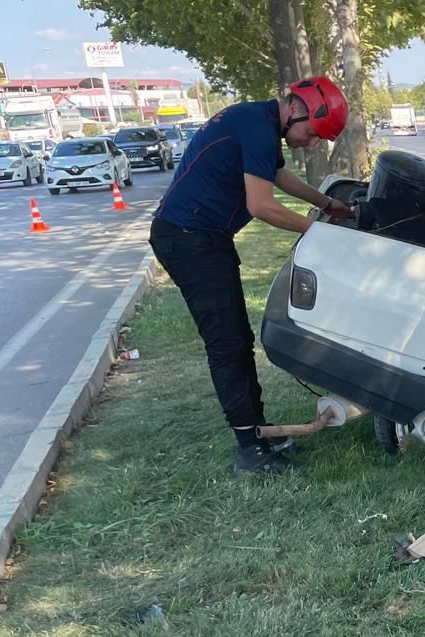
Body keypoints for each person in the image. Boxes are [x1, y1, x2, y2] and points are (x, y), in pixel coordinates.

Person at [150, 77, 354, 475]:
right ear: (296, 109)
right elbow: (261, 205)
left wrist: (329, 204)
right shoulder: (257, 126)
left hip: (199, 236)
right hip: (189, 239)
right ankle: (250, 448)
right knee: (227, 342)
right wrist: (320, 231)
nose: (311, 143)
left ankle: (258, 433)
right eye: (312, 133)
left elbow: (279, 178)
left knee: (237, 338)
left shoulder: (257, 121)